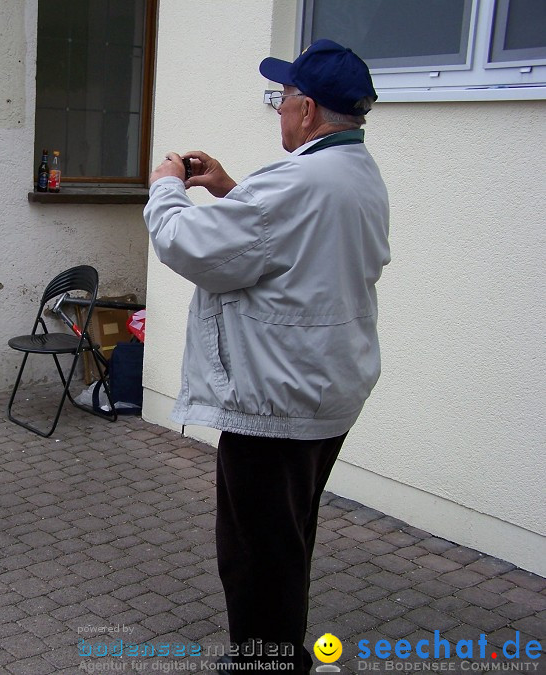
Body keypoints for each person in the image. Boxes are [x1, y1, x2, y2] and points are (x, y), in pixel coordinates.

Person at [143, 40, 390, 672]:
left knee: (256, 549)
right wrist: (228, 188)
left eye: (283, 100)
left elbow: (192, 247)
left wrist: (167, 187)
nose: (278, 111)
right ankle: (281, 651)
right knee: (287, 533)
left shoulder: (299, 180)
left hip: (275, 400)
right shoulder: (354, 170)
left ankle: (267, 663)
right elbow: (278, 242)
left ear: (307, 110)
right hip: (323, 388)